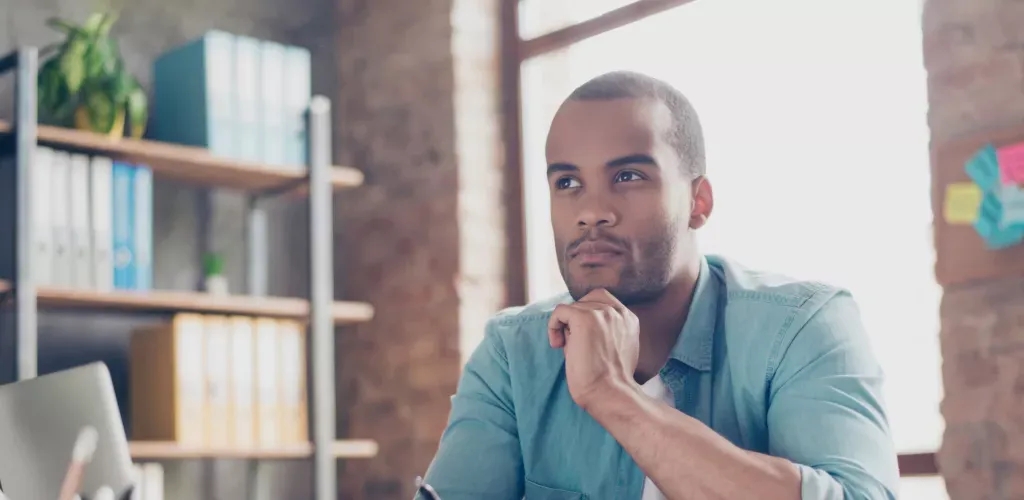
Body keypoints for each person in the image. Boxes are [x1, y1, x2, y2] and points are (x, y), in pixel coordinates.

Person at [416, 70, 899, 500]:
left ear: (698, 202)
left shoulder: (802, 327)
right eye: (567, 183)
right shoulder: (513, 352)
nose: (590, 210)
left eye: (627, 176)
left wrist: (614, 397)